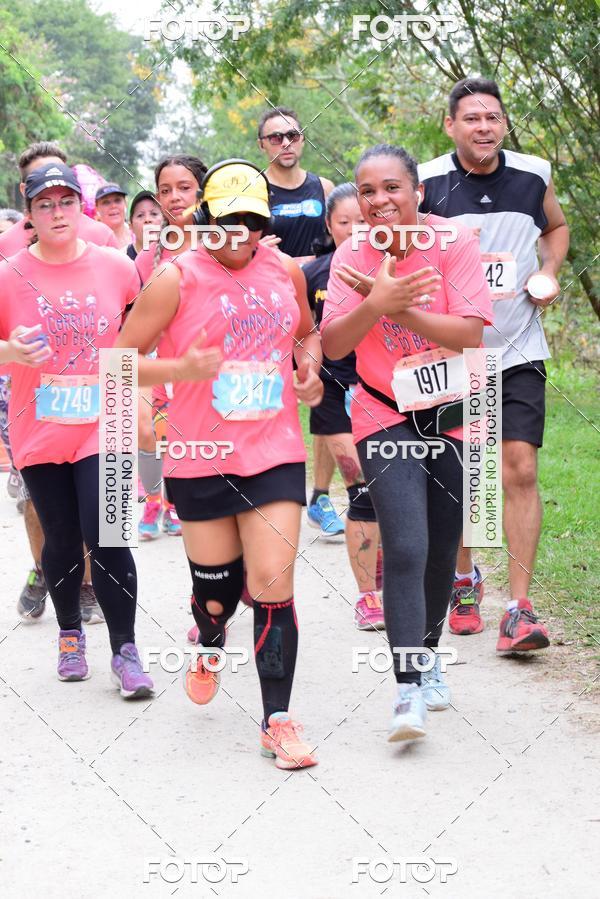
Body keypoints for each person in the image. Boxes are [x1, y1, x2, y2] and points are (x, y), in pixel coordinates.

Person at [117, 158, 323, 769]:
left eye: (253, 222)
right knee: (219, 595)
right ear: (206, 218)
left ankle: (277, 720)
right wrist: (178, 371)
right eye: (228, 221)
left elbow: (305, 333)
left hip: (274, 450)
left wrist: (307, 367)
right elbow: (118, 360)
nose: (241, 235)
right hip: (198, 455)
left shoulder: (285, 269)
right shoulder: (175, 279)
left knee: (272, 584)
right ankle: (209, 639)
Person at [322, 144, 493, 742]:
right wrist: (374, 301)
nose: (378, 201)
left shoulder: (455, 244)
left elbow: (470, 333)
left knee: (444, 546)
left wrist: (403, 309)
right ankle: (407, 688)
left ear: (417, 192)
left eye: (391, 188)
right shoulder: (351, 252)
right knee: (408, 541)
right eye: (366, 192)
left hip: (450, 411)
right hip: (382, 411)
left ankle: (430, 654)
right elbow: (336, 345)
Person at [419, 77, 568, 649]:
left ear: (504, 123)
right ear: (450, 125)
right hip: (454, 351)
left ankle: (520, 608)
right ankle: (462, 581)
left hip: (520, 345)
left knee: (520, 468)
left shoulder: (533, 174)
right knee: (462, 474)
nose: (484, 127)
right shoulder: (427, 181)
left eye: (493, 117)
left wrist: (549, 271)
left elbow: (555, 227)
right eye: (472, 118)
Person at [0, 162, 153, 698]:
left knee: (109, 533)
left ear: (79, 207)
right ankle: (69, 635)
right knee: (62, 538)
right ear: (30, 212)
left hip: (103, 423)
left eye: (65, 202)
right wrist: (11, 351)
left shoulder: (116, 266)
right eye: (45, 205)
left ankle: (126, 651)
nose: (57, 213)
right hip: (38, 426)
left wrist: (137, 392)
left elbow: (139, 337)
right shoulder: (8, 272)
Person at [0, 141, 114, 624]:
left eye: (61, 191)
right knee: (36, 500)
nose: (54, 207)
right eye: (39, 192)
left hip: (97, 394)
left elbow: (126, 321)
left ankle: (88, 588)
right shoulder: (8, 249)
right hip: (29, 393)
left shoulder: (104, 241)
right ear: (27, 198)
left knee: (100, 507)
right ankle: (44, 567)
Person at [257, 106, 342, 530]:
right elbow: (244, 246)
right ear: (263, 145)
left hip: (322, 302)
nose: (285, 143)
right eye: (276, 137)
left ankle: (321, 497)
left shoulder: (322, 186)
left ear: (302, 139)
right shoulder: (254, 191)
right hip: (271, 304)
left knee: (324, 396)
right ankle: (267, 485)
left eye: (292, 134)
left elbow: (340, 237)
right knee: (277, 396)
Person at [303, 183, 384, 629]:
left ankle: (388, 566)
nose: (355, 229)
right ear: (330, 227)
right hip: (333, 387)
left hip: (383, 389)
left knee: (390, 489)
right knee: (360, 485)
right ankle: (367, 596)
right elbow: (305, 331)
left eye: (361, 219)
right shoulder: (314, 273)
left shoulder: (392, 266)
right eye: (343, 222)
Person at [135, 155, 208, 541]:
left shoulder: (222, 247)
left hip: (205, 364)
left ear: (202, 191)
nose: (174, 197)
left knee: (185, 435)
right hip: (155, 361)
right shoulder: (148, 256)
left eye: (184, 188)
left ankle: (176, 502)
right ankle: (151, 498)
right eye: (165, 190)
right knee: (145, 428)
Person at [94, 183, 132, 249]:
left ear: (125, 203)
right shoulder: (93, 242)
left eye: (117, 200)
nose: (113, 206)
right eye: (106, 202)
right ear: (97, 208)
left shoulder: (138, 234)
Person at [126, 190, 162, 261]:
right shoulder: (122, 258)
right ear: (131, 226)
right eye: (140, 215)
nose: (147, 219)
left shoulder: (175, 256)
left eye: (154, 214)